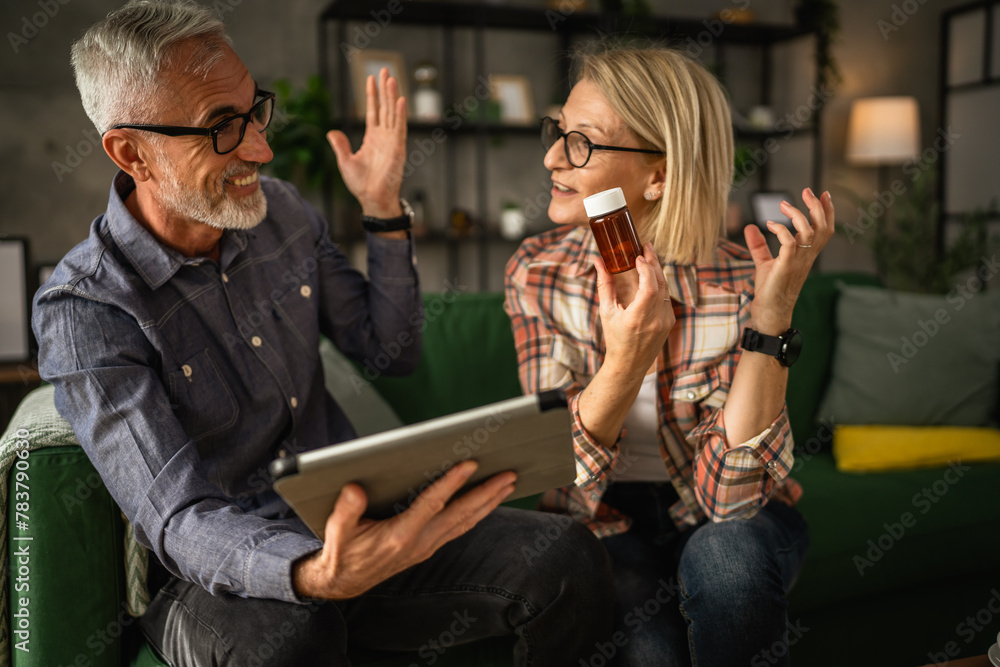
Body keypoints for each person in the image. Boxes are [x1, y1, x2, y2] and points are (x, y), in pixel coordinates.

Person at [33, 2, 613, 665]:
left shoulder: (281, 212)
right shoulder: (86, 308)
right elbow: (179, 518)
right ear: (132, 152)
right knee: (295, 634)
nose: (261, 148)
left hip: (348, 519)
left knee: (565, 556)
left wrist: (383, 209)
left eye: (254, 111)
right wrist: (310, 573)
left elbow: (389, 352)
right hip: (213, 577)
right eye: (221, 128)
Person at [504, 45, 833, 666]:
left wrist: (770, 319)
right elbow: (561, 469)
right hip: (604, 517)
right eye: (557, 131)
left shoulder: (740, 279)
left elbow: (731, 504)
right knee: (653, 653)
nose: (551, 158)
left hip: (729, 515)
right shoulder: (537, 272)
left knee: (725, 560)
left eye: (581, 142)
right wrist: (627, 359)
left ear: (659, 175)